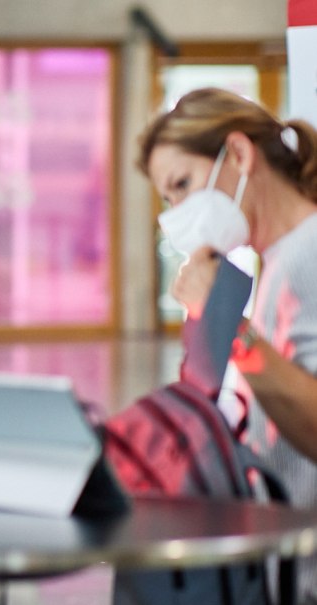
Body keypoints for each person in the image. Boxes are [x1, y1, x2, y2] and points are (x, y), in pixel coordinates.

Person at [138, 86, 317, 597]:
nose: (176, 214)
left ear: (238, 154)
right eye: (167, 199)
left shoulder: (309, 255)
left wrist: (231, 327)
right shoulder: (276, 263)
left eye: (183, 185)